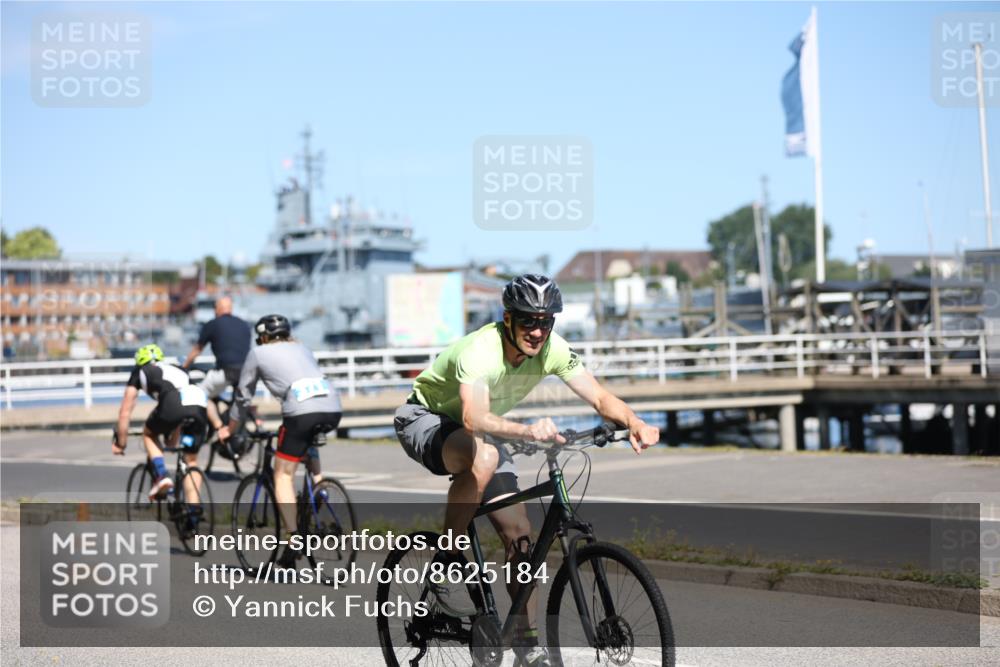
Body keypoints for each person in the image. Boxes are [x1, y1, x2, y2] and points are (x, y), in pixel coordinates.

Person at [394, 274, 660, 666]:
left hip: (481, 431)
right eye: (528, 321)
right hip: (426, 420)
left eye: (545, 321)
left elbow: (600, 397)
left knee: (520, 536)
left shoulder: (552, 349)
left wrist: (634, 421)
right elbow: (472, 415)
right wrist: (526, 430)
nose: (537, 331)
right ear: (507, 319)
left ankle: (526, 643)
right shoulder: (481, 350)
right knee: (481, 457)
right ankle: (448, 555)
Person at [218, 314, 342, 566]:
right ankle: (319, 487)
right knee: (307, 441)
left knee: (283, 475)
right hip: (332, 406)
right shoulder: (303, 347)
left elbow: (243, 396)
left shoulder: (258, 352)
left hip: (300, 411)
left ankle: (293, 537)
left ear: (263, 336)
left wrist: (230, 428)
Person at [113, 343, 209, 501]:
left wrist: (121, 442)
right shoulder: (177, 368)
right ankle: (193, 512)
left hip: (173, 402)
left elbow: (125, 412)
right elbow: (183, 405)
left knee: (149, 434)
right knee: (191, 461)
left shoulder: (141, 371)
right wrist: (172, 439)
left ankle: (162, 475)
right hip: (199, 401)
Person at [181, 296, 252, 433]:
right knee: (237, 400)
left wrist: (184, 366)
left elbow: (197, 350)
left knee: (200, 394)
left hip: (226, 372)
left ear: (218, 309)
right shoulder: (244, 325)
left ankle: (219, 426)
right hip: (246, 373)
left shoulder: (213, 324)